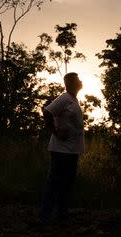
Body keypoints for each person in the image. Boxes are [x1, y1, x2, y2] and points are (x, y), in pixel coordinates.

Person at [39, 72, 84, 225]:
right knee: (55, 182)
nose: (80, 81)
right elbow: (47, 112)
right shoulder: (64, 98)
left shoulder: (73, 100)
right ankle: (45, 217)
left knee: (66, 183)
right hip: (61, 150)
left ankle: (61, 215)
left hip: (71, 150)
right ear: (70, 83)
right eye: (77, 80)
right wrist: (56, 132)